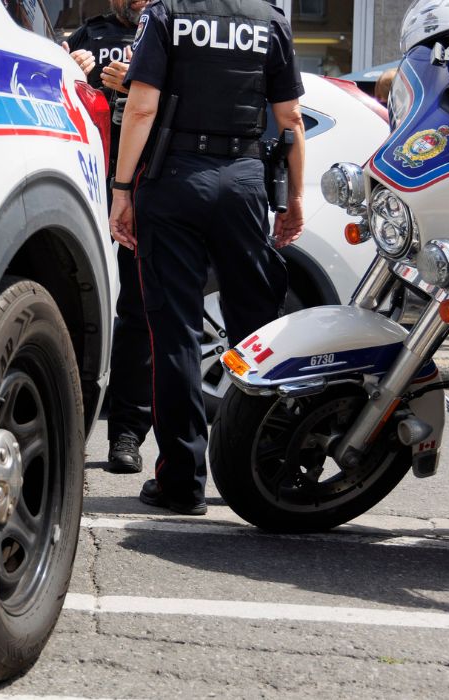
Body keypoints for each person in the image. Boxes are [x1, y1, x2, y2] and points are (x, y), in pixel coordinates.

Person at [109, 0, 306, 515]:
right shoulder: (269, 20)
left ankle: (182, 482)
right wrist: (295, 198)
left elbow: (142, 107)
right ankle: (267, 466)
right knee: (259, 332)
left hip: (174, 178)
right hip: (243, 180)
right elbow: (290, 120)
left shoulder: (168, 13)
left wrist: (122, 188)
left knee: (173, 329)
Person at [65, 0, 154, 475]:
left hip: (148, 188)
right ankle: (65, 426)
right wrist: (73, 67)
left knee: (138, 313)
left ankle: (127, 434)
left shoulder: (172, 30)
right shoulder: (90, 34)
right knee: (74, 307)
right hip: (87, 186)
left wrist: (138, 83)